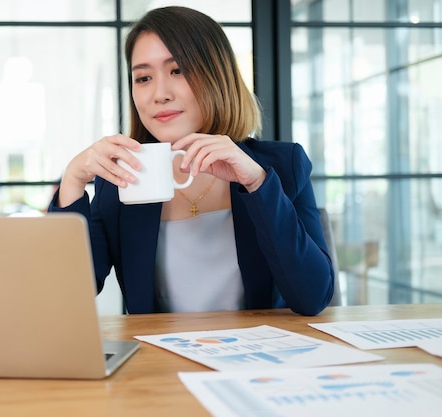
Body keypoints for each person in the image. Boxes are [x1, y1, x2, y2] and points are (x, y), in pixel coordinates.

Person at [48, 6, 334, 315]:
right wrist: (73, 181)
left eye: (178, 70)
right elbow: (65, 292)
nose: (159, 94)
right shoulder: (121, 179)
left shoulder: (282, 165)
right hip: (160, 361)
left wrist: (256, 182)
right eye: (143, 78)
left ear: (217, 76)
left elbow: (313, 297)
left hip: (258, 359)